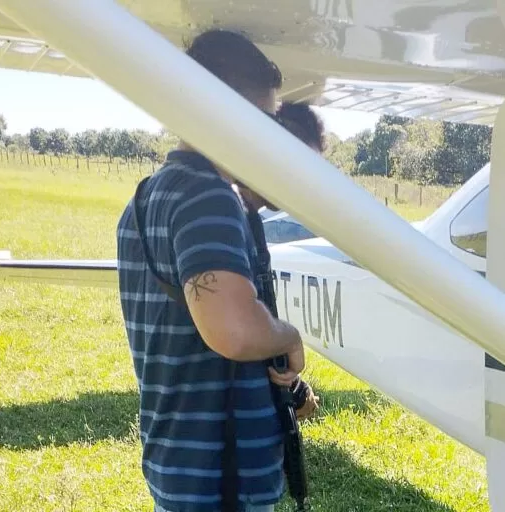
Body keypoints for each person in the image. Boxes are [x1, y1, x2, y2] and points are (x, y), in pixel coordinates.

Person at [116, 29, 309, 512]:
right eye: (262, 119)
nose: (269, 135)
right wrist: (288, 337)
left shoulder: (142, 199)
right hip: (221, 477)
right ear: (220, 111)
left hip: (176, 459)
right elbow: (235, 332)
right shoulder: (209, 198)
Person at [234, 101, 327, 418]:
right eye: (299, 165)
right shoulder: (229, 216)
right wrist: (291, 339)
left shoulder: (248, 217)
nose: (305, 182)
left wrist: (294, 388)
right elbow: (234, 328)